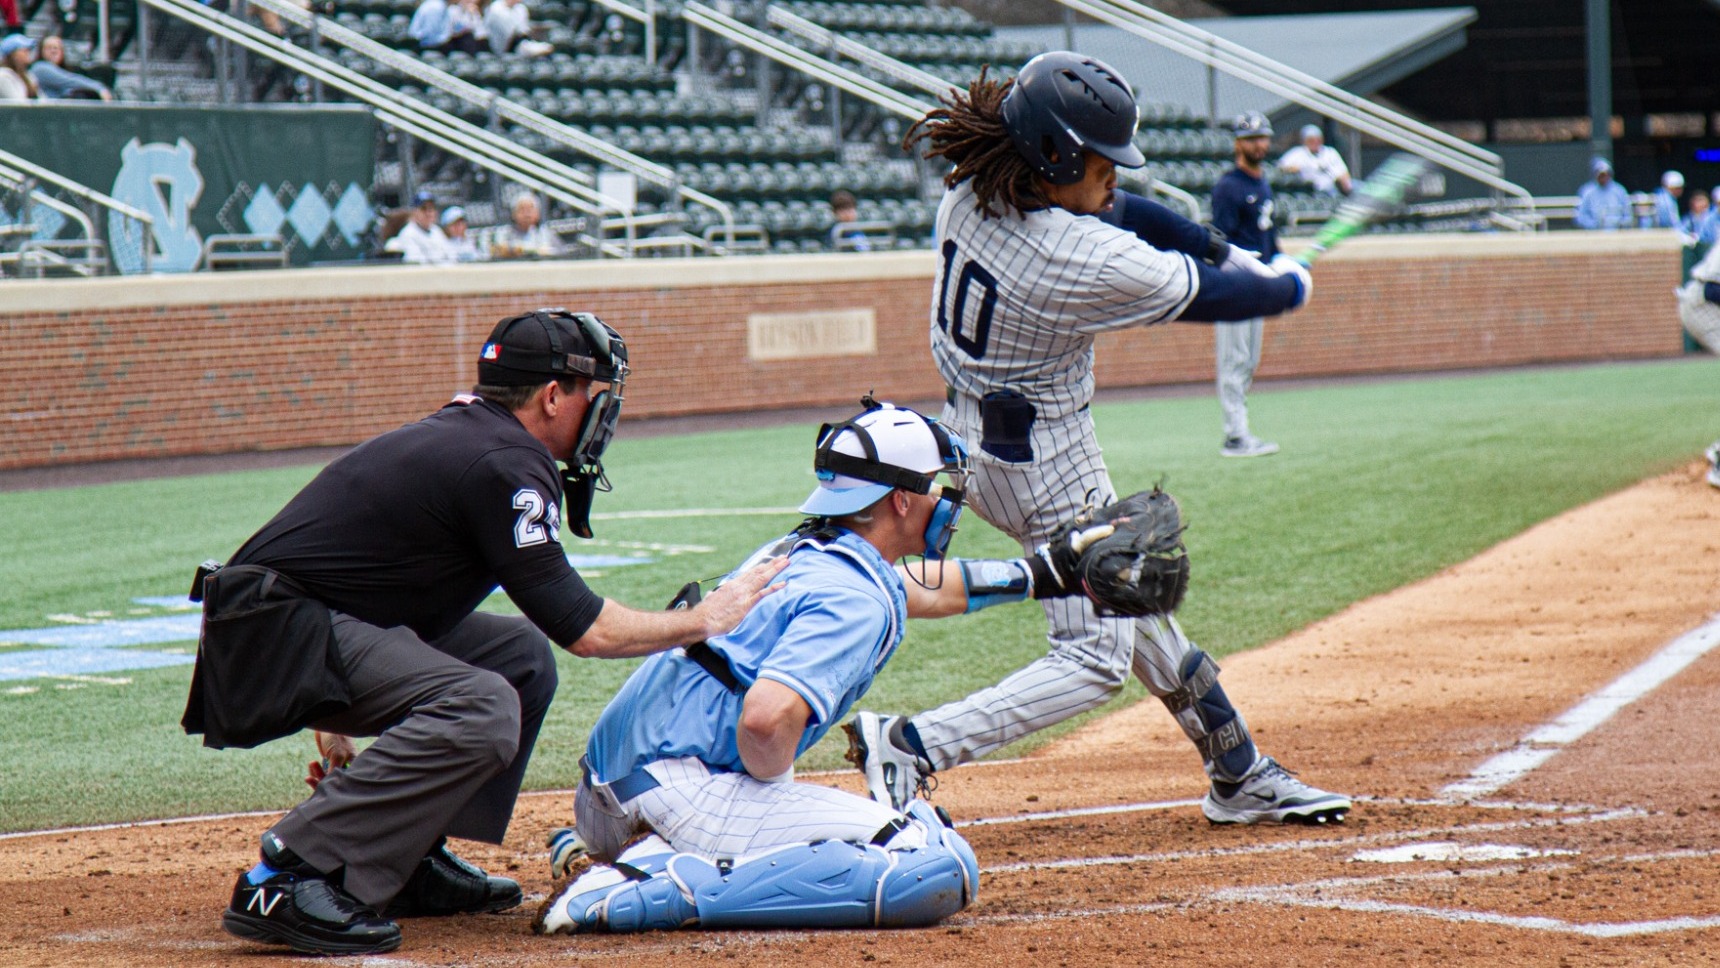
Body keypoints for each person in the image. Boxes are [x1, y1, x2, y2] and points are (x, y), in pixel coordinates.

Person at [842, 52, 1350, 828]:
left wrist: (1216, 244)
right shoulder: (1067, 256)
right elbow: (1218, 297)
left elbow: (1126, 212)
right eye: (1099, 159)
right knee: (1092, 659)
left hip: (976, 441)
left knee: (1130, 597)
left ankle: (1236, 767)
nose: (1112, 173)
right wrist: (1286, 284)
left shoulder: (976, 184)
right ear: (1054, 155)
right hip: (1049, 460)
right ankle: (912, 743)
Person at [186, 309, 789, 956]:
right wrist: (705, 618)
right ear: (553, 396)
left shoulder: (473, 434)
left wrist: (333, 712)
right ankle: (291, 871)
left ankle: (406, 858)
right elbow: (582, 626)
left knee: (517, 659)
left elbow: (334, 566)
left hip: (288, 622)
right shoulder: (504, 460)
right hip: (272, 636)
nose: (600, 411)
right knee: (484, 705)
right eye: (592, 393)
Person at [538, 399, 1113, 933]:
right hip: (679, 791)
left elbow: (914, 589)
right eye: (936, 486)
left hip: (608, 791)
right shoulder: (853, 598)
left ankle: (624, 850)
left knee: (866, 826)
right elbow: (764, 724)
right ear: (901, 500)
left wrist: (1046, 575)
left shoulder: (806, 550)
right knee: (930, 863)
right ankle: (650, 888)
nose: (946, 500)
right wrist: (769, 800)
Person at [1208, 111, 1281, 458]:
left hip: (1260, 283)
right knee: (1234, 360)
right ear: (1239, 143)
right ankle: (1235, 436)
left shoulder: (1263, 183)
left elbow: (1269, 235)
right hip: (1235, 283)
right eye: (1252, 138)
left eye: (1263, 137)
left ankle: (1242, 431)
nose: (1260, 144)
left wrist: (1279, 263)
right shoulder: (1228, 187)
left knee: (1249, 360)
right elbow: (1221, 242)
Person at [1277, 122, 1351, 197]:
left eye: (1318, 139)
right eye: (1311, 140)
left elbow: (1343, 173)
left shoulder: (1330, 153)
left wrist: (1344, 183)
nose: (1315, 142)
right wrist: (1294, 169)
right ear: (1304, 141)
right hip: (1309, 193)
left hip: (1332, 191)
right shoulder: (1297, 153)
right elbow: (1280, 166)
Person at [29, 35, 111, 100]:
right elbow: (69, 80)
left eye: (56, 48)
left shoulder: (60, 69)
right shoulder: (40, 67)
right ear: (41, 52)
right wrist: (99, 88)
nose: (53, 51)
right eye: (48, 48)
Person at [384, 190, 454, 264]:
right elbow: (417, 263)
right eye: (424, 209)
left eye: (431, 208)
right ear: (414, 212)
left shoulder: (436, 230)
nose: (429, 213)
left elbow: (452, 256)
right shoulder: (408, 233)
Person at [491, 194, 564, 258]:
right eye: (522, 209)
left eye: (530, 209)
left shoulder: (546, 234)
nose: (526, 214)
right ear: (513, 214)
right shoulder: (504, 234)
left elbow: (560, 254)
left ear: (537, 214)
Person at [1575, 157, 1632, 230]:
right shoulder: (1587, 192)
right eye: (1600, 175)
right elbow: (1581, 216)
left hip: (1616, 232)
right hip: (1594, 233)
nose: (1603, 177)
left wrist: (1620, 224)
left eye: (1605, 174)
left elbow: (1628, 213)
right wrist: (1594, 225)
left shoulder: (1619, 190)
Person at [484, 0, 550, 56]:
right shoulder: (495, 8)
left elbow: (523, 31)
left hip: (518, 42)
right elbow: (510, 33)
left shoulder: (521, 8)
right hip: (499, 45)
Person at [0, 34, 39, 100]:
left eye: (28, 50)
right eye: (24, 50)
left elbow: (43, 100)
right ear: (13, 54)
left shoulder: (28, 75)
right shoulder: (3, 76)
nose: (28, 52)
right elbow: (18, 105)